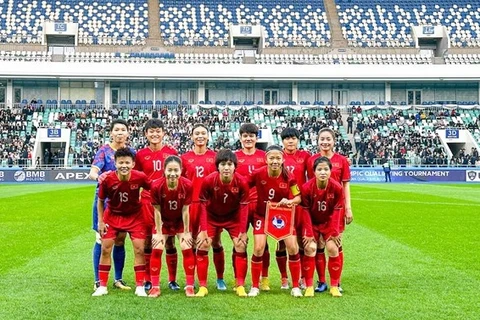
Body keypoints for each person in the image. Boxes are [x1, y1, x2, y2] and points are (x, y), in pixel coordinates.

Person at [92, 147, 152, 297]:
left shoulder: (140, 177)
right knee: (106, 249)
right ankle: (102, 286)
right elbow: (100, 201)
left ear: (133, 164)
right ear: (115, 163)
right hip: (112, 216)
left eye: (127, 162)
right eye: (120, 162)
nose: (124, 165)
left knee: (139, 249)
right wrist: (100, 221)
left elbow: (153, 189)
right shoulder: (108, 179)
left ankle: (140, 286)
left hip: (135, 217)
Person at [247, 145, 303, 298]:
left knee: (292, 247)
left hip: (281, 216)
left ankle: (296, 286)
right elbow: (244, 186)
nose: (275, 161)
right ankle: (254, 286)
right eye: (271, 158)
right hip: (261, 215)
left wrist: (290, 202)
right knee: (258, 248)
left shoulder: (289, 176)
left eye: (278, 158)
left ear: (283, 159)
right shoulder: (258, 173)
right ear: (266, 159)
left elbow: (298, 197)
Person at [195, 149, 250, 297]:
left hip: (233, 218)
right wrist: (204, 229)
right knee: (204, 243)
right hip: (212, 217)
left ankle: (239, 285)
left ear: (235, 166)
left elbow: (244, 207)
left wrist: (243, 231)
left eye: (230, 164)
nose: (226, 167)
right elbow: (202, 205)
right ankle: (203, 286)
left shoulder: (242, 182)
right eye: (223, 164)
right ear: (217, 166)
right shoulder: (208, 181)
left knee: (240, 244)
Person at [134, 119, 180, 291]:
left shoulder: (172, 152)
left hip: (168, 203)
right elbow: (136, 179)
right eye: (151, 131)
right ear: (146, 134)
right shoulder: (140, 155)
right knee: (148, 241)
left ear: (163, 133)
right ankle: (148, 279)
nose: (155, 134)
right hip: (147, 202)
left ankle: (172, 280)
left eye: (158, 131)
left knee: (169, 241)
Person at [307, 128, 353, 293]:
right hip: (316, 209)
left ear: (334, 141)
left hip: (336, 209)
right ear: (317, 141)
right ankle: (321, 281)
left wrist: (348, 207)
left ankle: (337, 281)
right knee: (318, 245)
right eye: (322, 139)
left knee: (335, 244)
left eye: (328, 139)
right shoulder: (311, 159)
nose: (325, 142)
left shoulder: (342, 161)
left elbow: (345, 184)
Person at [88, 119, 132, 291]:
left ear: (128, 133)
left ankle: (118, 279)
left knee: (120, 240)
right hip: (104, 203)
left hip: (124, 204)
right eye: (117, 130)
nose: (120, 133)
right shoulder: (104, 151)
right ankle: (98, 279)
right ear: (111, 133)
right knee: (101, 240)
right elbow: (94, 170)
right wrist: (96, 176)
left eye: (123, 130)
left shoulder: (130, 153)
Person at [149, 156, 196, 297]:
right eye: (169, 170)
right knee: (157, 248)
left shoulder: (187, 185)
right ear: (164, 170)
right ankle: (155, 287)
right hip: (163, 221)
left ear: (181, 171)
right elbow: (156, 210)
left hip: (180, 221)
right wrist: (157, 231)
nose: (172, 173)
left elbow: (185, 210)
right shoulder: (156, 185)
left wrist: (187, 232)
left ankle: (189, 286)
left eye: (176, 170)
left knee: (186, 247)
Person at [180, 124, 220, 286]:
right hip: (190, 205)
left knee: (214, 242)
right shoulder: (184, 158)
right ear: (191, 137)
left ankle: (220, 279)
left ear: (208, 136)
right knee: (190, 241)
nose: (200, 136)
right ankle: (192, 279)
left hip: (210, 205)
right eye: (197, 133)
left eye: (203, 133)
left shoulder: (215, 157)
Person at [233, 123, 271, 291]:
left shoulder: (264, 156)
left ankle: (264, 278)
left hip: (260, 205)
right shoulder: (234, 157)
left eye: (251, 136)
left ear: (257, 138)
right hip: (240, 205)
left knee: (263, 243)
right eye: (245, 136)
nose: (248, 139)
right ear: (240, 138)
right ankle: (238, 279)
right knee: (239, 242)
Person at [301, 156, 345, 297]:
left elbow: (337, 211)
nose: (323, 172)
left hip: (329, 222)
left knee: (332, 248)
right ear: (314, 172)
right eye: (319, 169)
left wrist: (335, 231)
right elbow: (305, 210)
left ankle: (334, 286)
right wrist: (308, 232)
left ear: (330, 171)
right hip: (312, 223)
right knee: (310, 248)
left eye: (326, 169)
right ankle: (309, 286)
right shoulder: (307, 187)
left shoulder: (337, 188)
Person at [280, 127, 311, 289]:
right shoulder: (277, 156)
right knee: (282, 243)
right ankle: (284, 278)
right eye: (287, 138)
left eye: (293, 138)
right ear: (282, 141)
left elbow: (316, 172)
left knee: (301, 241)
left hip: (299, 204)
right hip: (281, 205)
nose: (290, 141)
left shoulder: (305, 156)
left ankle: (304, 277)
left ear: (298, 139)